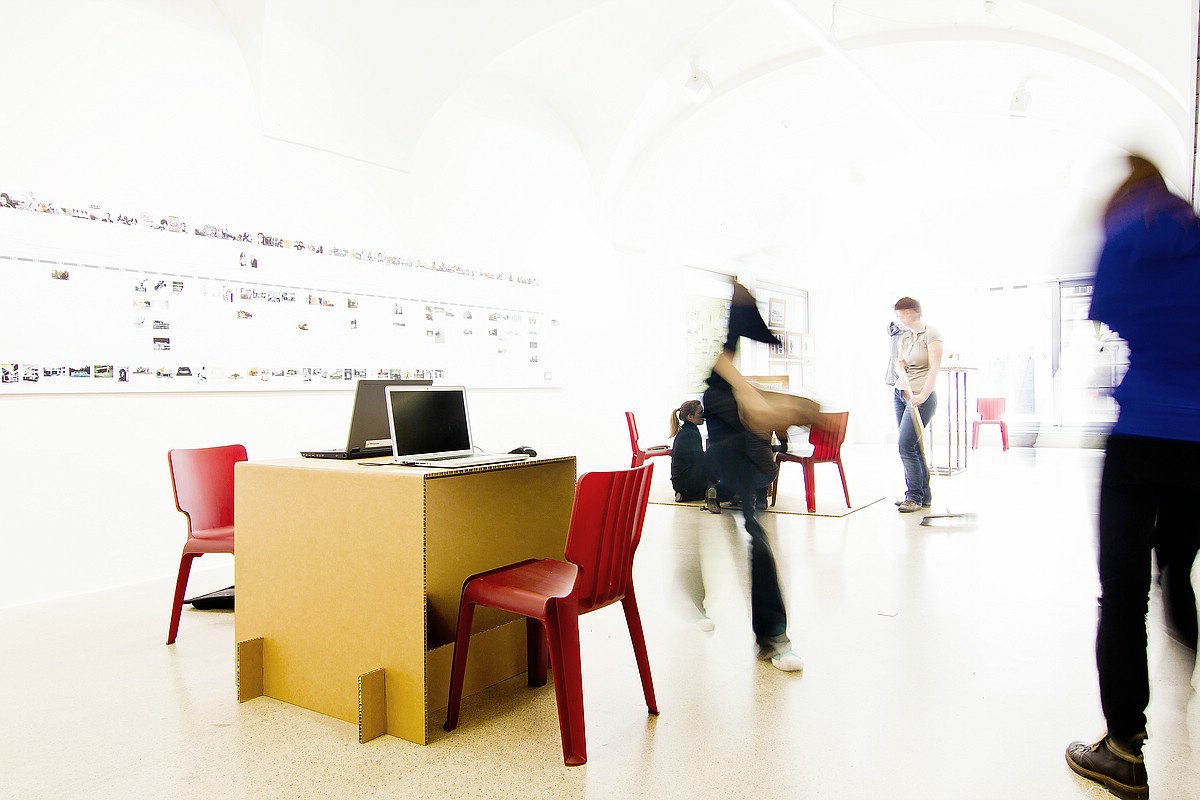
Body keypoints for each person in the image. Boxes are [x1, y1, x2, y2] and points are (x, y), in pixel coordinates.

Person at [1065, 154, 1200, 800]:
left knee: (1122, 594)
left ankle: (1123, 750)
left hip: (1144, 431)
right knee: (1177, 569)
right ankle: (1186, 668)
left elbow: (1108, 310)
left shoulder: (1123, 235)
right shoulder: (1195, 233)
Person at [701, 281, 819, 672]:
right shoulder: (729, 391)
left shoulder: (733, 390)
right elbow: (724, 365)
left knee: (754, 535)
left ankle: (772, 639)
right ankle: (768, 638)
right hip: (728, 455)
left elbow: (725, 363)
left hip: (739, 460)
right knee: (748, 536)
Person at [892, 297, 943, 513]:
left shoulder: (932, 334)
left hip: (920, 398)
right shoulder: (905, 337)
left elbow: (935, 368)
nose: (898, 319)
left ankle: (913, 497)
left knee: (905, 446)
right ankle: (923, 495)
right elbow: (902, 367)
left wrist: (922, 395)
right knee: (914, 447)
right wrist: (901, 365)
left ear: (910, 313)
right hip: (900, 394)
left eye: (900, 315)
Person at [668, 399, 711, 502]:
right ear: (690, 417)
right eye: (700, 413)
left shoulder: (685, 431)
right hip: (686, 483)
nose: (703, 415)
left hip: (679, 483)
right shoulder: (691, 434)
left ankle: (688, 495)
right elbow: (699, 459)